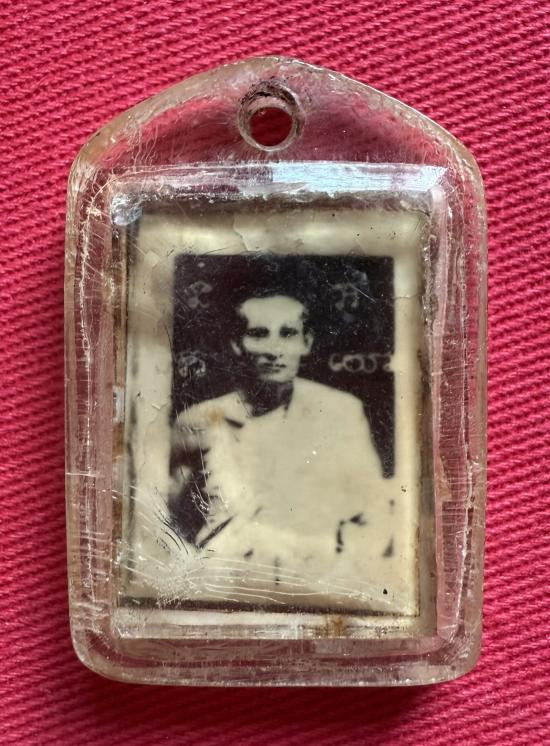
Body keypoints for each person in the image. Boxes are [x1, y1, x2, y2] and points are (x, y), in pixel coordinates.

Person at [168, 285, 396, 608]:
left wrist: (347, 576)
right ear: (237, 344)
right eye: (259, 334)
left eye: (288, 334)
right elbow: (166, 518)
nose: (275, 350)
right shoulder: (199, 420)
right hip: (227, 591)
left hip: (319, 589)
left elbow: (375, 512)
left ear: (307, 342)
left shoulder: (341, 412)